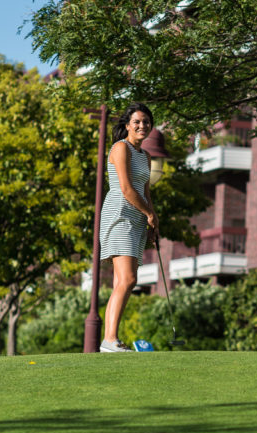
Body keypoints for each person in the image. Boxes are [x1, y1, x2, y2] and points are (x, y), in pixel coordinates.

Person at [99, 103, 159, 352]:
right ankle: (109, 340)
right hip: (119, 216)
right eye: (137, 121)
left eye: (146, 121)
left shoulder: (145, 156)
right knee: (128, 279)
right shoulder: (120, 148)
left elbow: (145, 190)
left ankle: (111, 339)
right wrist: (147, 212)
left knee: (123, 282)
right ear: (127, 126)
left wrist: (152, 219)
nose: (142, 125)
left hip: (136, 221)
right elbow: (125, 188)